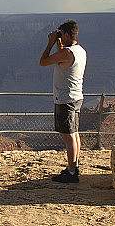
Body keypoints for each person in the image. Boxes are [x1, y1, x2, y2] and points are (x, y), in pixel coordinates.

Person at [39, 20, 86, 183]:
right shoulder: (80, 51)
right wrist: (59, 43)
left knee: (68, 135)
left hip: (66, 99)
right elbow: (63, 61)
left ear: (66, 34)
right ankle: (75, 166)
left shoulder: (66, 53)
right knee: (74, 133)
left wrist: (50, 43)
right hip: (76, 96)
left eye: (61, 33)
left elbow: (43, 61)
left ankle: (71, 172)